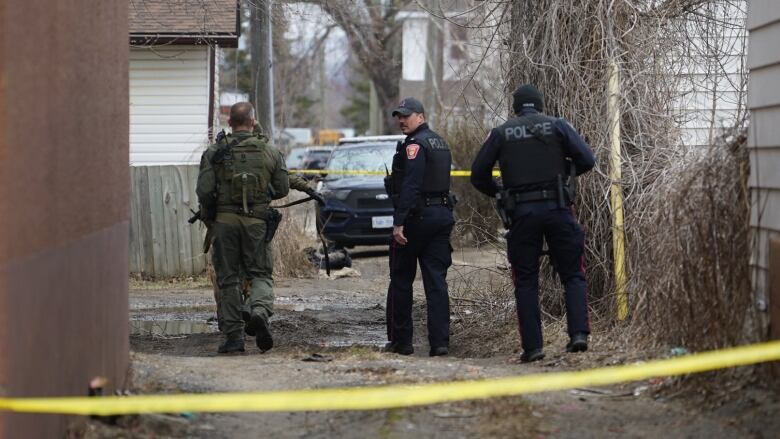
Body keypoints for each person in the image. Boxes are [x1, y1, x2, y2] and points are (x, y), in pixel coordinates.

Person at [470, 84, 596, 362]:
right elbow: (588, 159)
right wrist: (565, 172)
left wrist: (499, 191)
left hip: (522, 215)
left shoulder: (501, 133)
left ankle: (533, 347)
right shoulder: (558, 126)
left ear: (516, 108)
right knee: (573, 274)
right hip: (558, 209)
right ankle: (578, 335)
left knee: (525, 281)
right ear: (539, 105)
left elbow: (478, 174)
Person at [196, 102, 290, 354]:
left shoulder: (215, 152)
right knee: (259, 274)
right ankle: (258, 311)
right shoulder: (269, 150)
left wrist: (211, 215)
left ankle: (234, 338)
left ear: (229, 123)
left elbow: (204, 192)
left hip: (224, 223)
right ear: (253, 121)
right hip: (257, 224)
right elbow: (282, 188)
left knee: (228, 280)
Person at [384, 97, 455, 357]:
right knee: (436, 282)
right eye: (399, 116)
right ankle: (440, 343)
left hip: (416, 220)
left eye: (406, 115)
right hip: (441, 215)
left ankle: (402, 341)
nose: (401, 120)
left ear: (421, 116)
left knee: (401, 279)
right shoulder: (439, 142)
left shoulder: (414, 145)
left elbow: (411, 185)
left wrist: (399, 222)